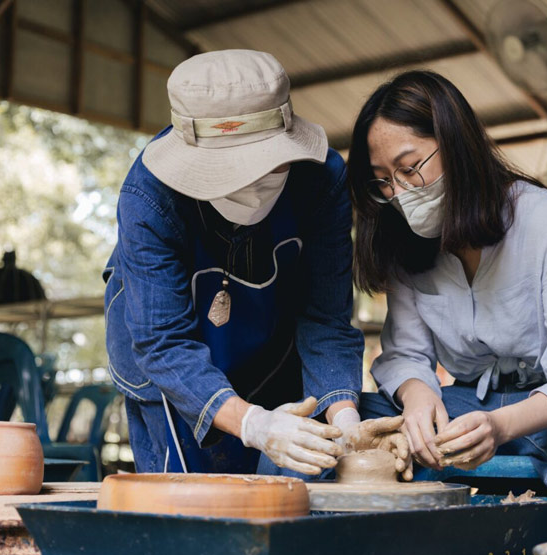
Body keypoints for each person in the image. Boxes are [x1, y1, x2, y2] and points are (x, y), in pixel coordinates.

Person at [347, 70, 547, 537]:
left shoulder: (542, 221)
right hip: (466, 399)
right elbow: (405, 353)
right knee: (353, 432)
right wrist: (419, 395)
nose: (400, 194)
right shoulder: (401, 236)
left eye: (410, 168)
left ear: (457, 144)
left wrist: (500, 425)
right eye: (383, 181)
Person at [104, 50, 406, 478]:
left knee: (291, 478)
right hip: (168, 362)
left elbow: (325, 317)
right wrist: (254, 424)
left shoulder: (321, 179)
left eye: (265, 166)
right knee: (186, 504)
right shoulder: (149, 196)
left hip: (269, 343)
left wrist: (345, 422)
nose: (249, 184)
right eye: (229, 172)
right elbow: (163, 341)